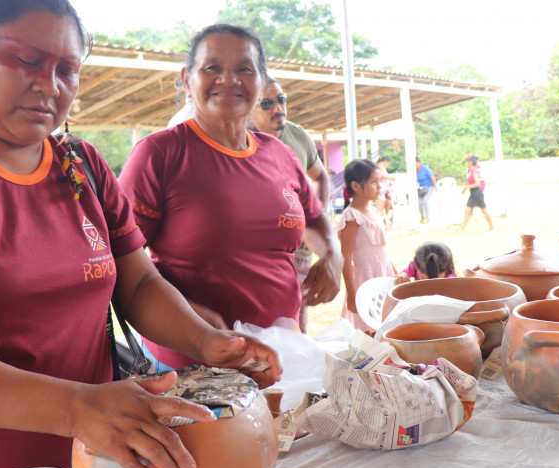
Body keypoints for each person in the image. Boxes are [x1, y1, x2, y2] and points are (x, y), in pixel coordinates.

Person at [0, 3, 282, 468]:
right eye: (25, 60)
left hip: (86, 460)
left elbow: (140, 283)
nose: (50, 84)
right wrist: (77, 408)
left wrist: (204, 340)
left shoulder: (81, 165)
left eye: (67, 69)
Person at [119, 24, 342, 369]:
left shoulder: (279, 154)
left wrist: (331, 254)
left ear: (261, 80)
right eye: (212, 68)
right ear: (186, 79)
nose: (229, 79)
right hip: (190, 365)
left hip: (279, 356)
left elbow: (314, 218)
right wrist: (190, 320)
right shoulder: (158, 154)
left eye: (244, 69)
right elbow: (122, 262)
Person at [248, 75, 332, 333]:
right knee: (262, 338)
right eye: (267, 103)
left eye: (282, 99)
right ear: (249, 108)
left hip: (299, 258)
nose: (278, 108)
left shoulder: (298, 135)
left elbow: (321, 177)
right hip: (259, 263)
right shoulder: (237, 140)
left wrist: (317, 217)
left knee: (297, 335)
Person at [338, 158, 396, 332]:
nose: (379, 187)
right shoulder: (352, 216)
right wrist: (352, 293)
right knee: (368, 328)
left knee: (385, 324)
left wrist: (395, 271)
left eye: (379, 182)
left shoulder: (372, 211)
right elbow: (345, 256)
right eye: (374, 182)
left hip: (382, 275)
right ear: (356, 186)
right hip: (365, 280)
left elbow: (382, 250)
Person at [458, 154, 494, 232]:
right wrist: (465, 188)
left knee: (484, 211)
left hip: (477, 193)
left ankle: (492, 227)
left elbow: (478, 184)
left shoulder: (475, 172)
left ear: (470, 162)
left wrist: (467, 187)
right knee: (467, 211)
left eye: (466, 162)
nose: (465, 164)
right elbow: (470, 182)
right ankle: (461, 229)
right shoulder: (470, 172)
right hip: (473, 194)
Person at [375, 156, 397, 228]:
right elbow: (381, 176)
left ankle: (383, 222)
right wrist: (391, 178)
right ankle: (380, 224)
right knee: (379, 209)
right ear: (386, 162)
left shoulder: (379, 166)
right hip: (380, 190)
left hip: (383, 190)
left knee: (385, 205)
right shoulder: (380, 166)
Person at [416, 156, 437, 224]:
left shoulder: (426, 169)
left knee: (425, 201)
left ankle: (427, 217)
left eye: (416, 164)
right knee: (420, 202)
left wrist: (435, 187)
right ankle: (422, 217)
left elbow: (432, 178)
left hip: (429, 187)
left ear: (420, 163)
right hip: (421, 188)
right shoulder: (414, 170)